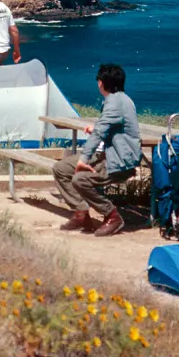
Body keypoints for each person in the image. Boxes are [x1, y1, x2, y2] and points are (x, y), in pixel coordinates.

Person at [52, 63, 141, 237]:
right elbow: (109, 128)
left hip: (119, 160)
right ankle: (81, 213)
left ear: (101, 83)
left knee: (80, 179)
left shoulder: (115, 102)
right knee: (60, 169)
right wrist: (96, 130)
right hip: (107, 154)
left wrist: (83, 159)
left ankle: (112, 215)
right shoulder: (119, 100)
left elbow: (100, 132)